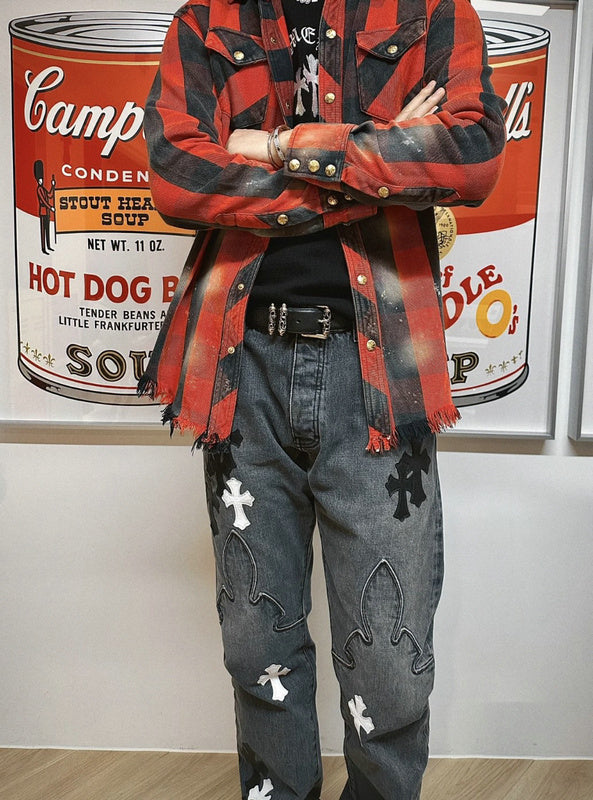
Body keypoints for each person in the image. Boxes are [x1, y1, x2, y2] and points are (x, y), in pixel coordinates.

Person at [140, 0, 506, 797]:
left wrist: (278, 146)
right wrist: (374, 162)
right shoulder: (206, 19)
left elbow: (472, 156)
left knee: (389, 656)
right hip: (238, 366)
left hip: (380, 375)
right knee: (256, 642)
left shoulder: (432, 13)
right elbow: (175, 174)